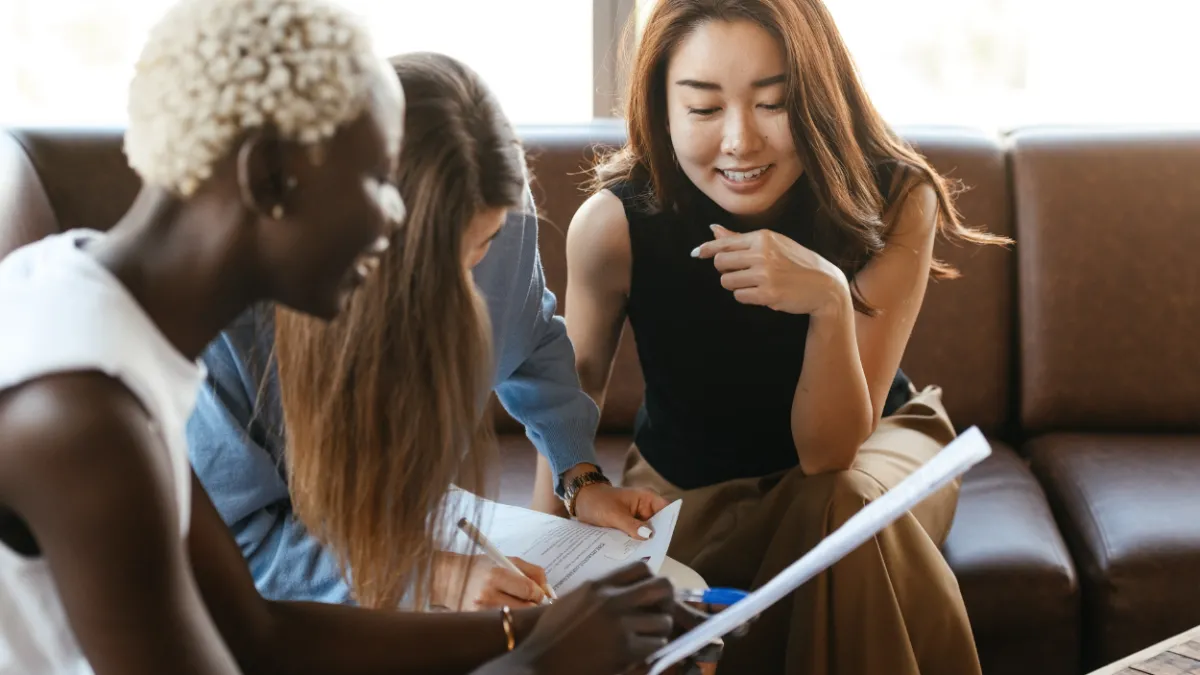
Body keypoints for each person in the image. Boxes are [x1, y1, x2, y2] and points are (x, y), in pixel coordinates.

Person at [0, 1, 687, 673]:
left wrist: (538, 626)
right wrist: (539, 658)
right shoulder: (81, 416)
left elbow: (258, 633)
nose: (393, 216)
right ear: (270, 179)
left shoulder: (102, 317)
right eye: (373, 179)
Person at [536, 0, 1012, 673]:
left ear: (818, 95)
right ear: (660, 108)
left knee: (840, 507)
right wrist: (539, 561)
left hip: (872, 453)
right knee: (834, 522)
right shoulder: (612, 225)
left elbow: (829, 453)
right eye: (703, 109)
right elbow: (571, 387)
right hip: (689, 481)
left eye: (774, 103)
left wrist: (829, 303)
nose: (740, 141)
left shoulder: (899, 199)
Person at [186, 49, 669, 610]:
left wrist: (580, 477)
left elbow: (531, 339)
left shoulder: (503, 223)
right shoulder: (228, 316)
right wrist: (433, 577)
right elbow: (236, 546)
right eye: (437, 262)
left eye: (483, 245)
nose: (467, 286)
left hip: (409, 532)